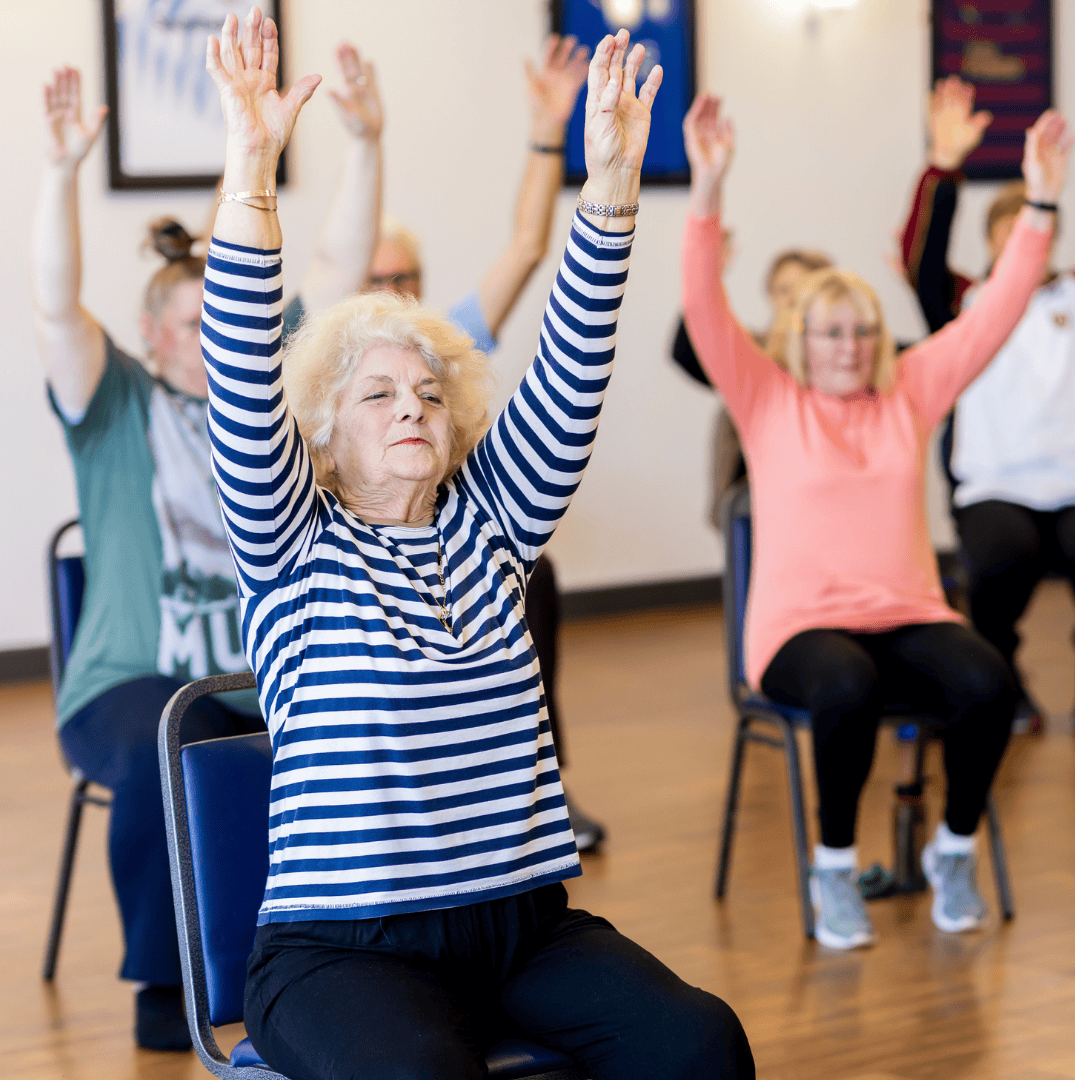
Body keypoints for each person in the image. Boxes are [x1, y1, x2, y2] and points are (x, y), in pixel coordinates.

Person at [201, 12, 754, 1078]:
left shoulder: (491, 524)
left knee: (700, 1043)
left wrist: (611, 191)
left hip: (523, 929)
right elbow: (238, 369)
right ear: (319, 430)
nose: (411, 407)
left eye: (428, 393)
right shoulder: (290, 546)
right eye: (376, 395)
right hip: (339, 950)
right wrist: (251, 174)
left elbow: (574, 357)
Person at [681, 91, 1072, 949]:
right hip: (798, 630)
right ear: (800, 340)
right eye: (830, 333)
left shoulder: (911, 392)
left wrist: (1041, 203)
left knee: (989, 685)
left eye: (862, 331)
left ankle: (954, 848)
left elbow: (998, 309)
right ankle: (833, 869)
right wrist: (706, 187)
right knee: (845, 689)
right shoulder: (767, 399)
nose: (850, 346)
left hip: (905, 614)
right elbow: (703, 309)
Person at [281, 34, 607, 851]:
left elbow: (532, 249)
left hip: (465, 563)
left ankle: (533, 785)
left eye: (405, 282)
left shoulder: (444, 347)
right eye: (375, 281)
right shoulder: (325, 378)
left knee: (533, 582)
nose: (410, 405)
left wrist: (552, 136)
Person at [30, 68, 263, 1050]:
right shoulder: (116, 402)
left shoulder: (256, 407)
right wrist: (61, 171)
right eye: (194, 325)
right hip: (124, 686)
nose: (213, 339)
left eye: (226, 323)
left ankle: (327, 946)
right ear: (152, 334)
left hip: (244, 674)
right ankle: (167, 983)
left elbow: (331, 268)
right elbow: (53, 307)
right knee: (170, 734)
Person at [902, 74, 1075, 732]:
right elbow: (919, 263)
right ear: (992, 244)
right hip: (996, 488)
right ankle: (1008, 686)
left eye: (1032, 229)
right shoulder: (964, 306)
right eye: (1006, 234)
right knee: (999, 568)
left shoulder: (1073, 295)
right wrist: (942, 167)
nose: (1022, 245)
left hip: (1073, 485)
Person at [671, 242, 831, 531]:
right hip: (748, 506)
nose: (791, 300)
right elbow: (685, 351)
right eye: (783, 290)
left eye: (803, 289)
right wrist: (708, 275)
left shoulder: (843, 359)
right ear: (770, 294)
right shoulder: (748, 351)